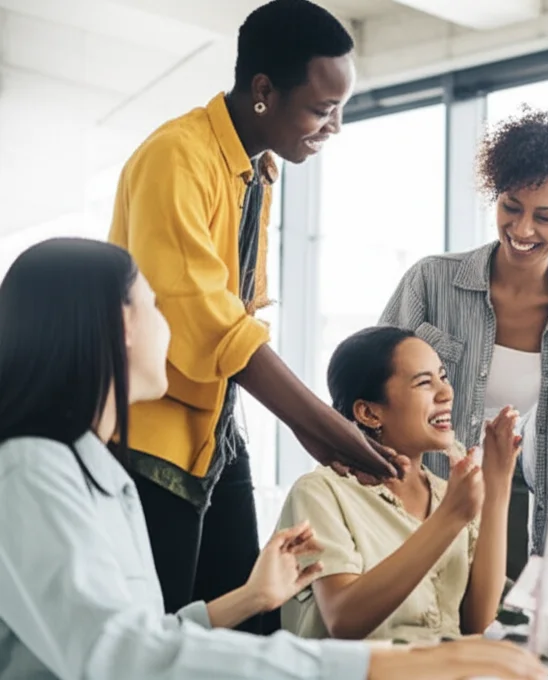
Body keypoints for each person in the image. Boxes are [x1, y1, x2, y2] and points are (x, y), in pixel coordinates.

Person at [0, 238, 548, 680]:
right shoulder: (31, 470)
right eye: (156, 307)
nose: (172, 329)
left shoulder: (92, 473)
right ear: (121, 326)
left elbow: (145, 637)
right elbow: (119, 658)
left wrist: (252, 598)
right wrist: (384, 665)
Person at [107, 0, 399, 635]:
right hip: (152, 444)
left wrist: (310, 429)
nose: (335, 126)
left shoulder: (255, 170)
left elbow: (238, 316)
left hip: (214, 433)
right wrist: (321, 422)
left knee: (253, 622)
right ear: (263, 90)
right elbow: (205, 320)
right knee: (166, 636)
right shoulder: (177, 158)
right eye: (323, 109)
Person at [380, 107, 548, 578]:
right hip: (417, 492)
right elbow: (370, 390)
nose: (522, 229)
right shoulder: (431, 282)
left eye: (546, 217)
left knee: (492, 627)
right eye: (510, 207)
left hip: (513, 496)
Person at [277, 327, 519, 641]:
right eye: (423, 383)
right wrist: (449, 518)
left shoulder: (449, 494)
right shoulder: (321, 492)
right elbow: (343, 619)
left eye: (443, 377)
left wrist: (498, 482)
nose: (446, 393)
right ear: (369, 413)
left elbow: (478, 623)